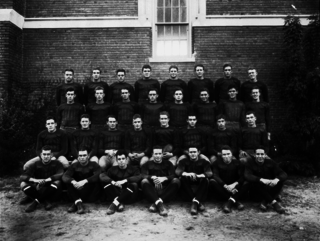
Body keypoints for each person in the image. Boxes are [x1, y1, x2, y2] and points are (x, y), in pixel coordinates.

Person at [20, 146, 64, 212]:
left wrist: (45, 180)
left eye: (48, 154)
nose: (46, 156)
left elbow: (60, 174)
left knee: (58, 182)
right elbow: (23, 176)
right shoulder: (36, 164)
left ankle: (35, 202)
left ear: (51, 155)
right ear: (41, 155)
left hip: (51, 189)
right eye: (44, 154)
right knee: (23, 184)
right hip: (39, 187)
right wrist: (35, 180)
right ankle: (45, 201)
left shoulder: (57, 163)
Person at [244, 147, 287, 214]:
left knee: (280, 182)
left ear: (265, 155)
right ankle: (274, 203)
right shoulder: (250, 163)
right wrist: (261, 179)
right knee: (254, 182)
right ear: (255, 155)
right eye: (258, 154)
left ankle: (265, 202)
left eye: (262, 154)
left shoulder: (270, 162)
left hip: (269, 189)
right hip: (256, 193)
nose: (260, 156)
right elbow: (247, 175)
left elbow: (283, 173)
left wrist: (276, 179)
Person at [141, 146, 180, 216]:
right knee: (144, 181)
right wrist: (152, 177)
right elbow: (142, 175)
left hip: (165, 191)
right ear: (152, 154)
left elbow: (173, 175)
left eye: (159, 153)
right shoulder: (148, 164)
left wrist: (164, 178)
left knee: (176, 181)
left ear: (162, 154)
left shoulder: (168, 163)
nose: (158, 156)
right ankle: (159, 204)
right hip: (152, 191)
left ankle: (157, 202)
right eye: (156, 154)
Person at [100, 150, 141, 215]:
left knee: (134, 184)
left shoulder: (133, 169)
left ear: (127, 159)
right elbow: (102, 176)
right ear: (116, 160)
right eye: (119, 159)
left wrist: (124, 181)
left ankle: (115, 204)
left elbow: (138, 177)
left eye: (123, 158)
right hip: (116, 194)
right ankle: (119, 202)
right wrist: (113, 182)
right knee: (105, 182)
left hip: (129, 196)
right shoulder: (112, 169)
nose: (121, 161)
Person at [63, 149, 101, 214]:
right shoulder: (74, 165)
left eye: (84, 155)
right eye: (80, 155)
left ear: (88, 156)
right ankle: (78, 203)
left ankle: (76, 202)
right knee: (69, 182)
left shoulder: (94, 164)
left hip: (90, 192)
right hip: (78, 189)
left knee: (95, 182)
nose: (82, 157)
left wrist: (85, 181)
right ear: (78, 157)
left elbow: (98, 176)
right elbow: (65, 176)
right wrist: (73, 182)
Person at [209, 146, 247, 213]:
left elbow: (242, 177)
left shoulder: (237, 163)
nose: (226, 156)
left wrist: (234, 185)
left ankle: (229, 203)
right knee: (212, 181)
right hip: (222, 188)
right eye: (224, 154)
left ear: (232, 154)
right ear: (221, 155)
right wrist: (225, 186)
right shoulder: (216, 163)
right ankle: (235, 201)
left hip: (234, 189)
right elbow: (215, 176)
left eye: (228, 154)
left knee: (247, 182)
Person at [176, 147, 213, 215]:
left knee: (205, 179)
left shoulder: (204, 161)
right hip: (188, 188)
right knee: (182, 178)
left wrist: (198, 175)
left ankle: (195, 203)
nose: (193, 154)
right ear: (188, 153)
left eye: (194, 152)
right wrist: (188, 174)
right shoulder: (183, 161)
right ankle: (196, 201)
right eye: (191, 152)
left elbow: (209, 173)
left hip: (200, 186)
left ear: (198, 152)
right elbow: (178, 172)